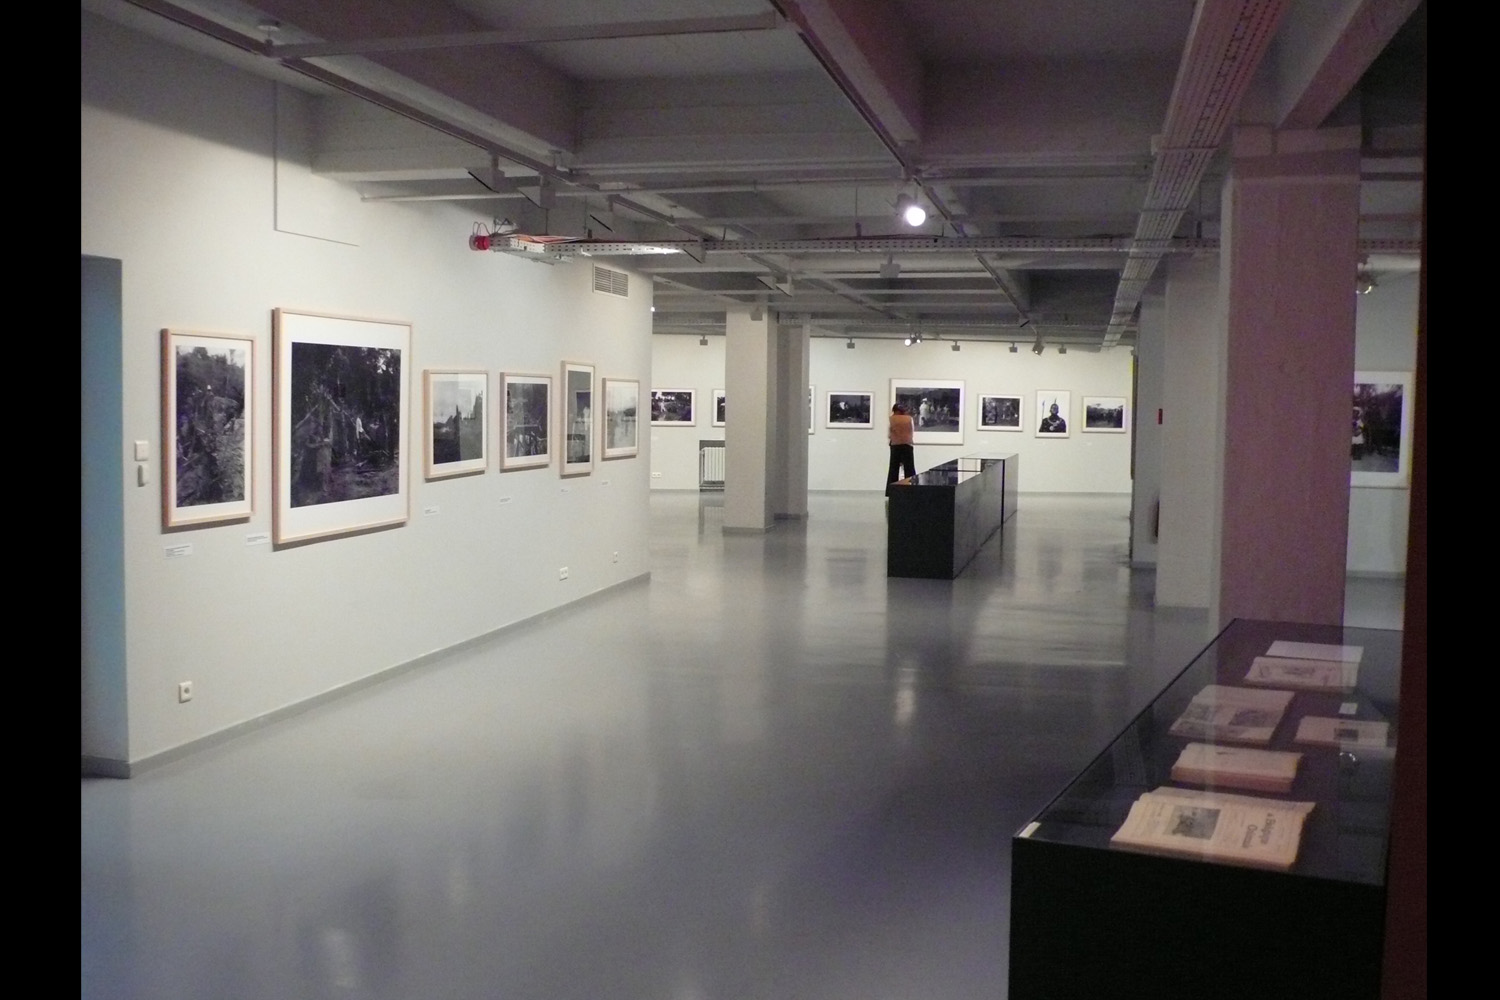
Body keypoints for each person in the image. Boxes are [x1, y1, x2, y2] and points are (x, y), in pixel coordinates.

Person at [887, 402, 916, 489]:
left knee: (893, 469)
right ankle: (912, 489)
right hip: (907, 445)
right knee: (910, 469)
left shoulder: (891, 419)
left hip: (895, 445)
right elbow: (912, 431)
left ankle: (891, 490)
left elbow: (889, 435)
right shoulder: (909, 419)